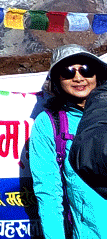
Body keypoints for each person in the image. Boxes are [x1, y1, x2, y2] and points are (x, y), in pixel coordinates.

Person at [31, 44, 107, 239]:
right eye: (68, 71)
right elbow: (48, 193)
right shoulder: (50, 124)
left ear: (97, 75)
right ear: (57, 79)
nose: (78, 77)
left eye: (86, 70)